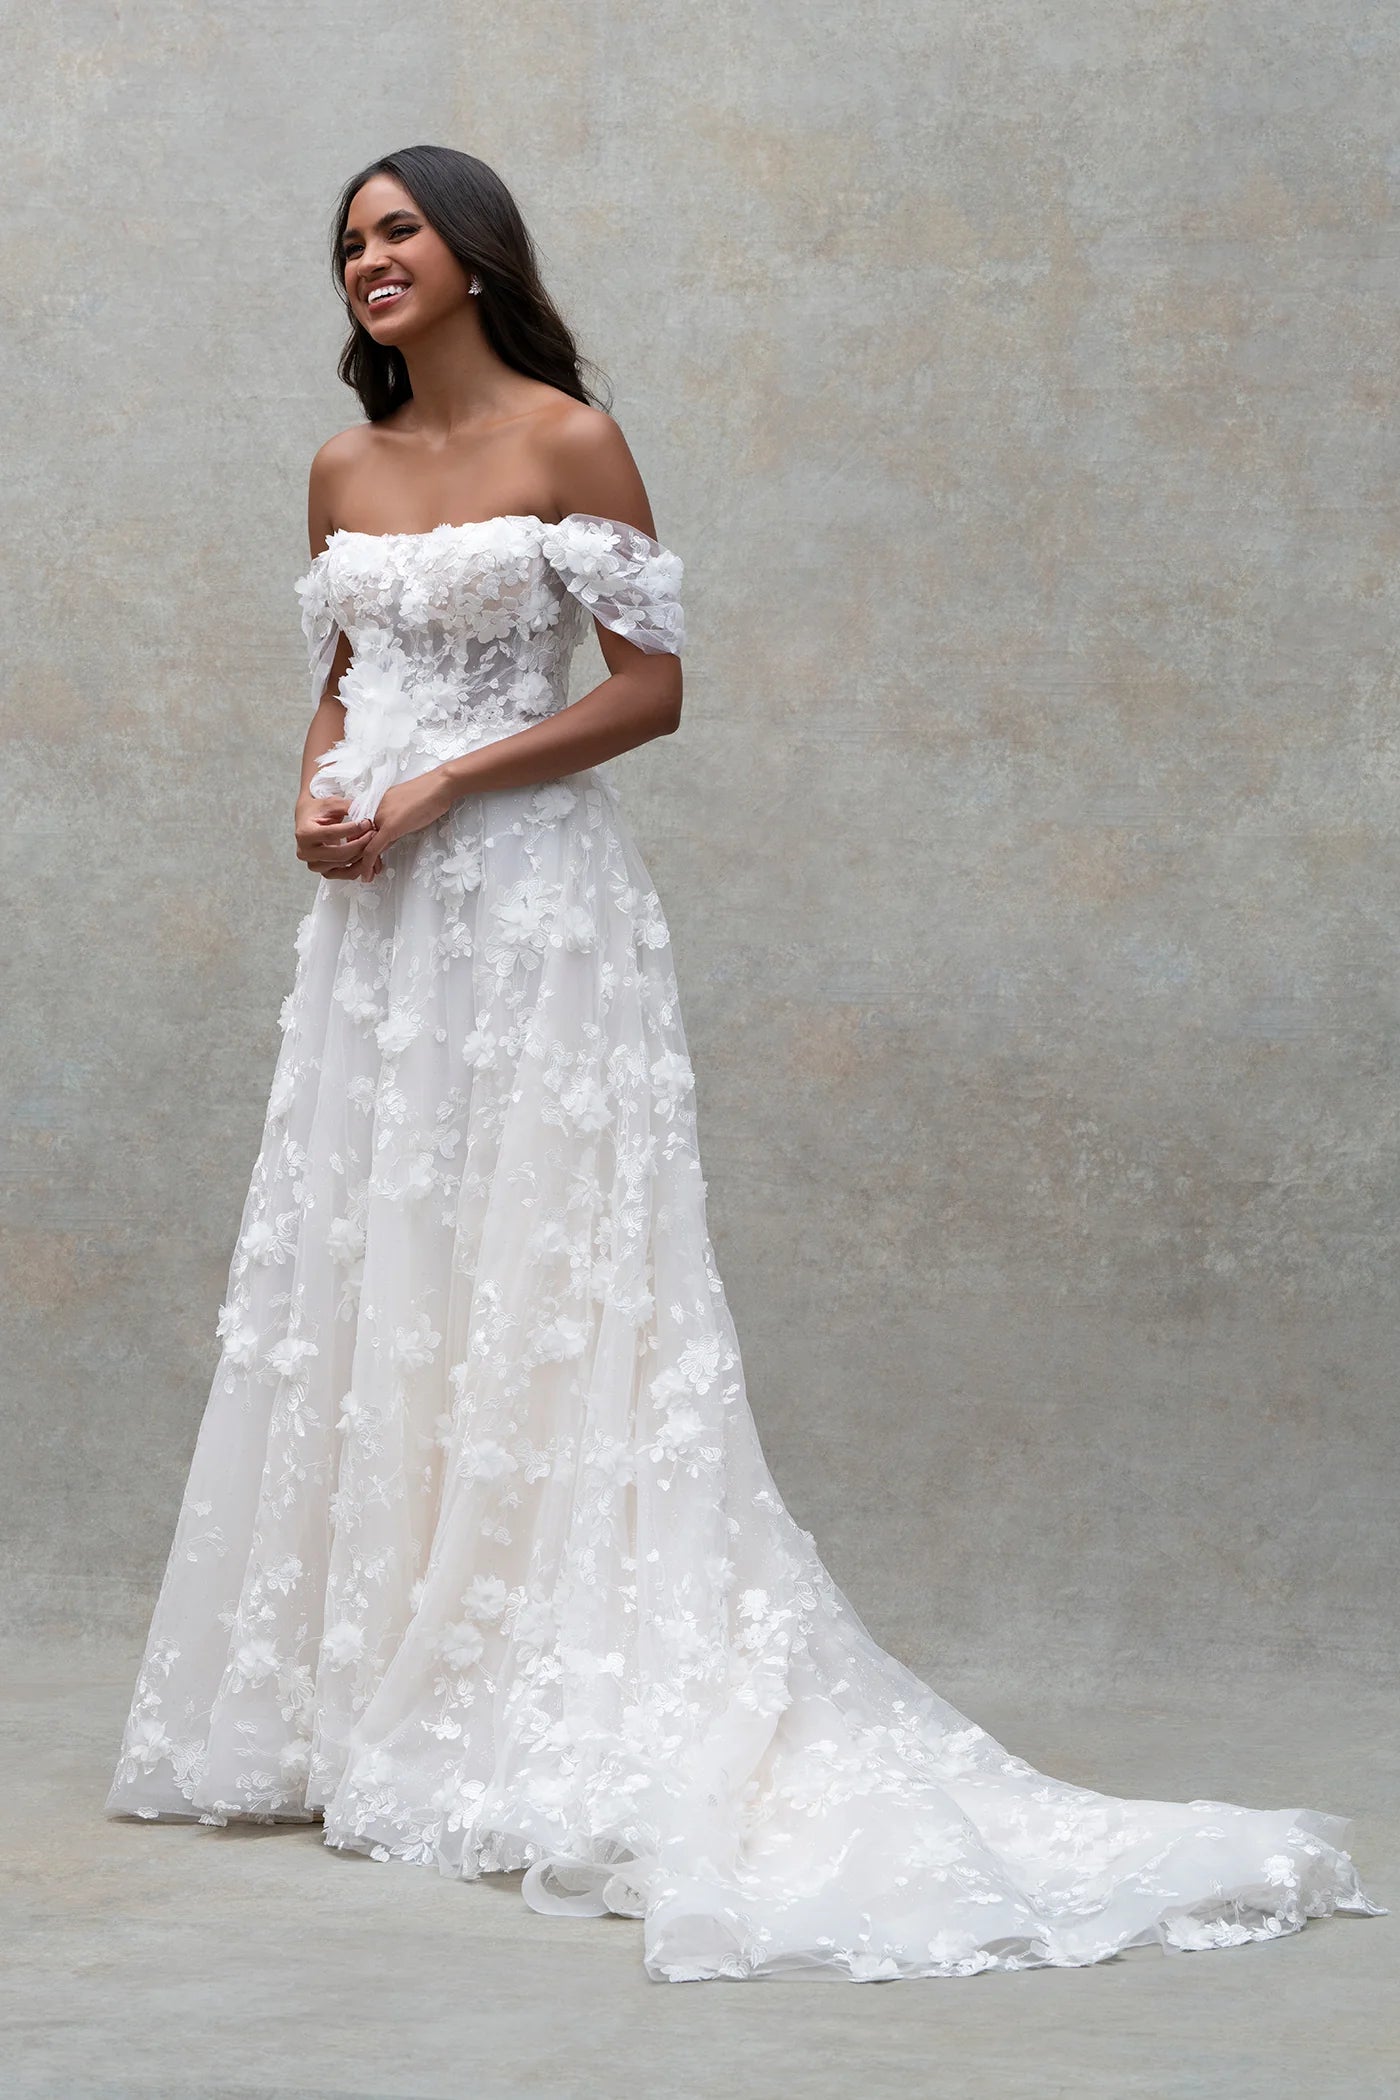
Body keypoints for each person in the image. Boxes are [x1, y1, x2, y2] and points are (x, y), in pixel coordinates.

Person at [104, 144, 1386, 1983]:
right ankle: (363, 1692)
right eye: (348, 243)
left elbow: (652, 687)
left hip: (532, 913)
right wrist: (317, 794)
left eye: (399, 232)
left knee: (545, 1275)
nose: (368, 261)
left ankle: (540, 1676)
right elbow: (337, 675)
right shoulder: (340, 469)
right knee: (372, 1279)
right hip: (377, 934)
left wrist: (450, 779)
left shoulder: (570, 439)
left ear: (473, 253)